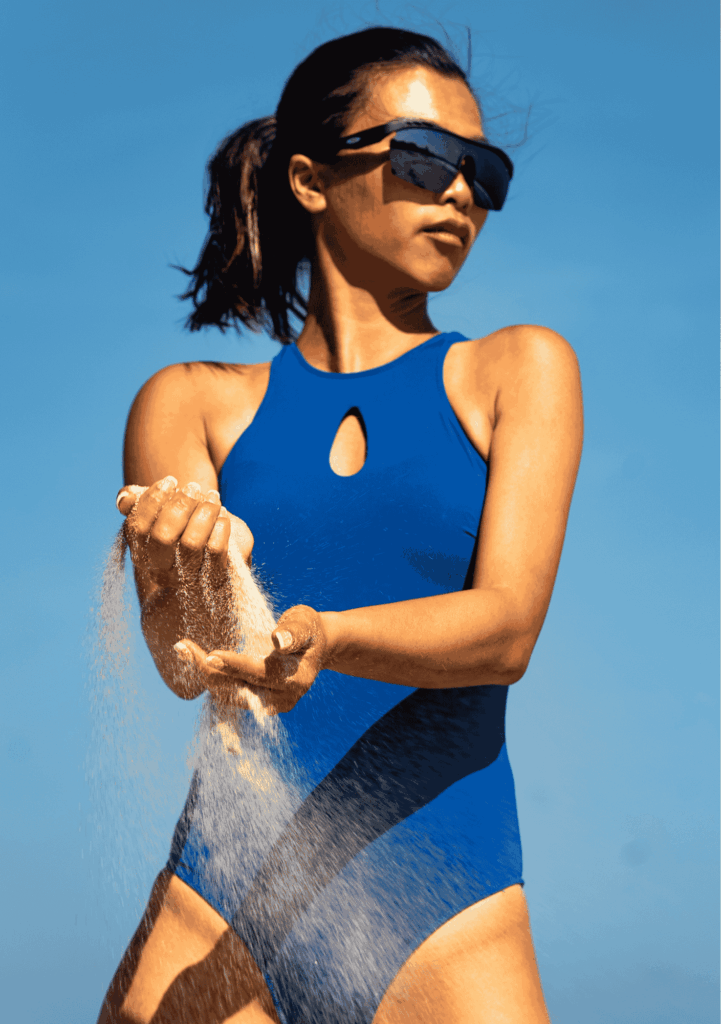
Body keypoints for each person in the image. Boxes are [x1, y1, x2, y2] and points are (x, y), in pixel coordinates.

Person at [98, 26, 582, 1024]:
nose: (460, 191)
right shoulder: (190, 403)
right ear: (311, 180)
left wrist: (325, 637)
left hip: (445, 913)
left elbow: (506, 628)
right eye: (423, 157)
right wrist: (187, 571)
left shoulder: (516, 370)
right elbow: (189, 660)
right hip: (218, 913)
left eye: (482, 171)